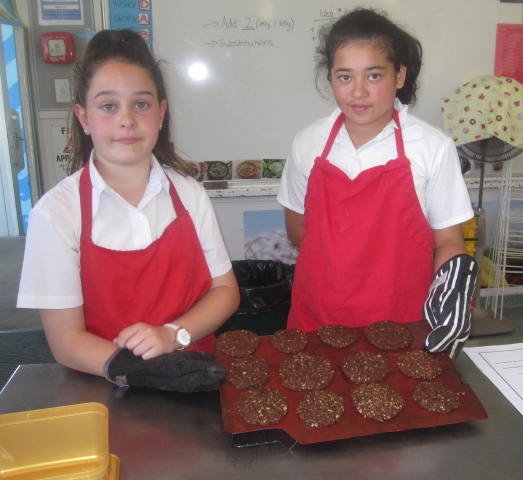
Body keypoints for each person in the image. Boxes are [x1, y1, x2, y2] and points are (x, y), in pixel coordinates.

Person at [17, 29, 240, 392]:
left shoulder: (189, 194)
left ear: (161, 114)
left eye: (141, 104)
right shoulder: (56, 214)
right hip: (106, 388)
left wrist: (173, 334)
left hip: (196, 380)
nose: (126, 119)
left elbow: (225, 291)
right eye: (108, 106)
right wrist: (135, 370)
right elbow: (65, 341)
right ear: (83, 118)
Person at [277, 8, 477, 357]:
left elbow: (448, 241)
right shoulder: (308, 143)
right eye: (344, 77)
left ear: (399, 76)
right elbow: (297, 230)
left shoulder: (432, 147)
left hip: (403, 322)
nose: (358, 92)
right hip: (317, 319)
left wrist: (451, 295)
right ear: (330, 78)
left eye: (373, 76)